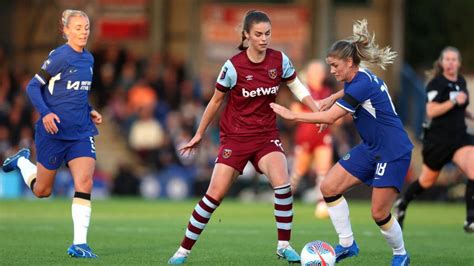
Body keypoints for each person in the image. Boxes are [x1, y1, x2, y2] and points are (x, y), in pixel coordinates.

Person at [167, 10, 319, 264]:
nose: (263, 39)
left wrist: (316, 112)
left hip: (266, 136)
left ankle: (284, 245)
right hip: (235, 138)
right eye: (258, 34)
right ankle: (182, 252)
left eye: (267, 34)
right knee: (213, 196)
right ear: (246, 35)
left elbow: (296, 86)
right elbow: (216, 101)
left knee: (283, 185)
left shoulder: (279, 60)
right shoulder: (233, 66)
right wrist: (199, 134)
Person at [271, 19, 413, 266]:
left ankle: (401, 254)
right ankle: (347, 244)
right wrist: (333, 96)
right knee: (329, 187)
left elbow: (330, 117)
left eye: (335, 66)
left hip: (393, 151)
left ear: (349, 62)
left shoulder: (361, 83)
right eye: (329, 66)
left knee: (379, 213)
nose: (332, 71)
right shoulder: (360, 78)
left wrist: (293, 115)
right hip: (371, 148)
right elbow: (351, 92)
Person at [2, 10, 102, 258]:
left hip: (80, 132)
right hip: (53, 132)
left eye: (86, 27)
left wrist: (89, 110)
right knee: (42, 191)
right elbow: (33, 86)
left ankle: (80, 244)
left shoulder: (88, 59)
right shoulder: (59, 57)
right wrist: (45, 113)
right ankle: (23, 162)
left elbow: (77, 93)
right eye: (78, 27)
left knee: (85, 181)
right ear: (66, 30)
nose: (83, 32)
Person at [394, 46, 474, 233]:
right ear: (441, 63)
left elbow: (459, 108)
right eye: (447, 59)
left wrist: (468, 113)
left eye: (454, 59)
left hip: (459, 138)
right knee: (427, 181)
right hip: (438, 141)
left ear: (459, 63)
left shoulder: (461, 81)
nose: (451, 62)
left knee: (473, 168)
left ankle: (470, 219)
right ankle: (402, 202)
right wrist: (454, 101)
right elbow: (431, 111)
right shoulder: (436, 83)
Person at [289, 60, 333, 219]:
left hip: (323, 135)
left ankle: (321, 203)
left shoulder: (328, 91)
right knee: (298, 171)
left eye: (321, 72)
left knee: (323, 170)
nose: (319, 75)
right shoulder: (302, 92)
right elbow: (294, 112)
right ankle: (285, 199)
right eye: (316, 72)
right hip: (306, 136)